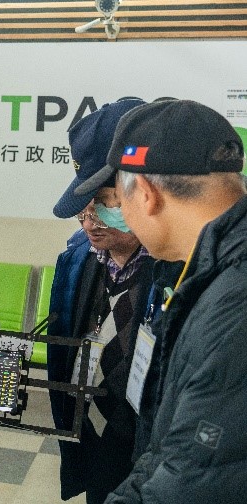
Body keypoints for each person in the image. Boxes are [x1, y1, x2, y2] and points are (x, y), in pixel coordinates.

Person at [74, 99, 247, 504]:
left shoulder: (233, 299)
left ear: (146, 195)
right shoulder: (206, 272)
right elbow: (172, 445)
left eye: (116, 202)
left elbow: (194, 478)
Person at [47, 99, 155, 504]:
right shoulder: (78, 257)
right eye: (84, 207)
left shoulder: (178, 271)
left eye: (105, 201)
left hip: (147, 453)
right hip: (90, 437)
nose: (90, 220)